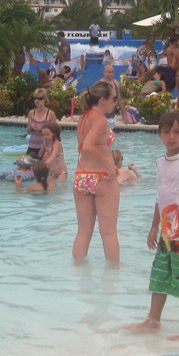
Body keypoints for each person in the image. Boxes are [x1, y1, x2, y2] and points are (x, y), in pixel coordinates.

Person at [124, 111, 179, 341]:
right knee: (159, 276)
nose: (171, 136)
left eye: (177, 132)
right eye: (166, 131)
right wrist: (153, 228)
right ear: (159, 133)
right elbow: (161, 198)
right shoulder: (161, 162)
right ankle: (153, 320)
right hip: (167, 235)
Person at [72, 80, 121, 266]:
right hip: (102, 178)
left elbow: (81, 147)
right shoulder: (100, 119)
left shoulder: (84, 117)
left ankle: (77, 271)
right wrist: (109, 166)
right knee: (108, 232)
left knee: (83, 232)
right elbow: (88, 146)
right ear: (102, 100)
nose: (115, 103)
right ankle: (114, 277)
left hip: (81, 176)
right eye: (114, 99)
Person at [25, 87, 57, 158]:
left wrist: (42, 129)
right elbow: (28, 131)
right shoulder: (31, 113)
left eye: (40, 99)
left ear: (45, 99)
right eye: (35, 98)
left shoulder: (50, 114)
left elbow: (55, 134)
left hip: (45, 147)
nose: (37, 100)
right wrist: (31, 126)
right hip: (32, 145)